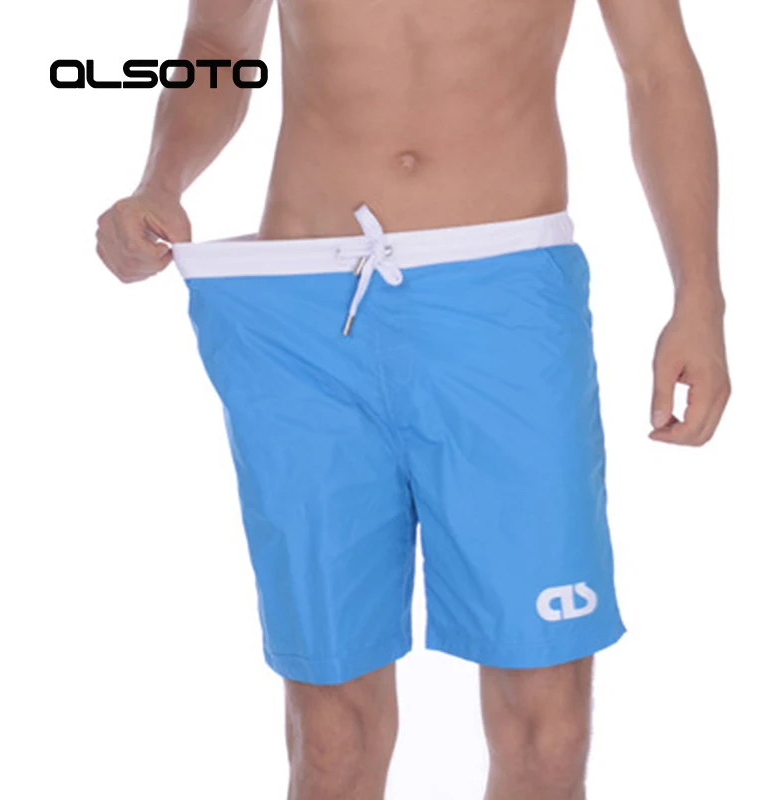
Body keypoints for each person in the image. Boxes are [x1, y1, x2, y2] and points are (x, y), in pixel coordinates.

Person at [95, 0, 731, 797]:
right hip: (302, 315)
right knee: (332, 738)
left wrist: (699, 295)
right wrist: (160, 181)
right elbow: (217, 42)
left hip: (502, 300)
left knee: (547, 728)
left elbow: (657, 67)